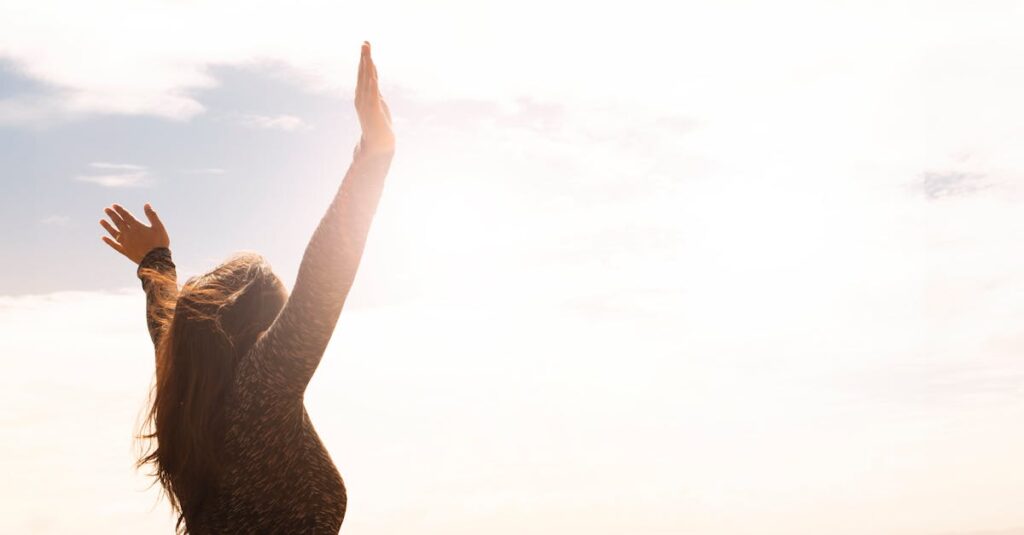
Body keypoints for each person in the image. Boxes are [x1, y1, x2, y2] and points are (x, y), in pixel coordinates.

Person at [98, 42, 395, 534]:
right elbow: (322, 280)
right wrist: (373, 156)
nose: (283, 330)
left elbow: (166, 325)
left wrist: (156, 263)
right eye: (278, 321)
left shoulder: (188, 397)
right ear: (255, 331)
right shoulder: (260, 391)